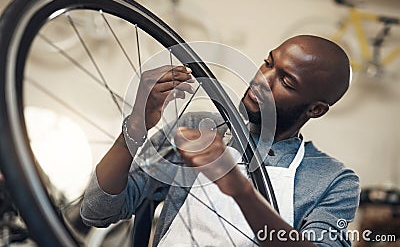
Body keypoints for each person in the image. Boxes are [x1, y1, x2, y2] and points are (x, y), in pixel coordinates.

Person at [80, 35, 360, 246]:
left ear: (316, 109)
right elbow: (97, 212)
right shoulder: (197, 127)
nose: (262, 80)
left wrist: (240, 189)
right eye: (268, 63)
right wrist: (137, 124)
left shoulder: (334, 180)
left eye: (286, 82)